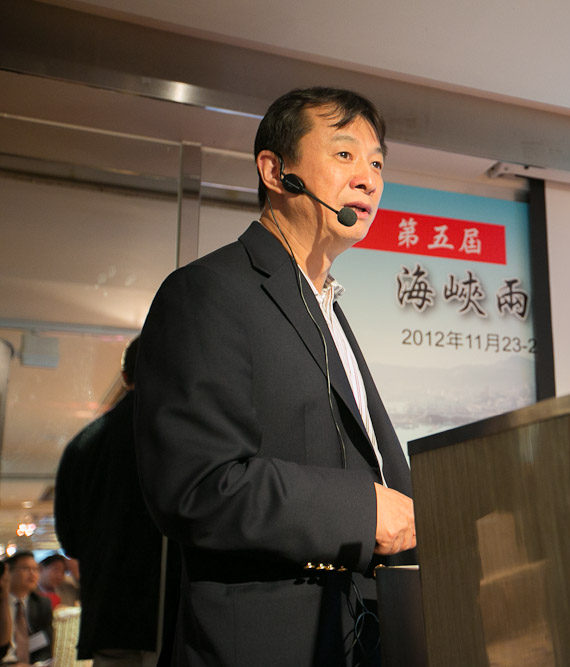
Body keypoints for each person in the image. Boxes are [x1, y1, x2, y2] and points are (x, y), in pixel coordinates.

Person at [134, 87, 417, 667]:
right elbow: (199, 485)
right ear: (275, 171)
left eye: (377, 163)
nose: (368, 179)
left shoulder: (325, 306)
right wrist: (364, 512)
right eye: (345, 155)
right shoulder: (207, 291)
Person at [55, 337, 164, 666]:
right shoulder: (176, 437)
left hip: (107, 615)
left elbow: (70, 540)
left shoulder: (81, 445)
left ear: (124, 376)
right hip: (163, 613)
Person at [2, 552, 52, 665]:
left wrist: (37, 665)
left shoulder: (41, 603)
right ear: (7, 572)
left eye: (36, 569)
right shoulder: (2, 602)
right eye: (26, 569)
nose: (32, 574)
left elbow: (46, 644)